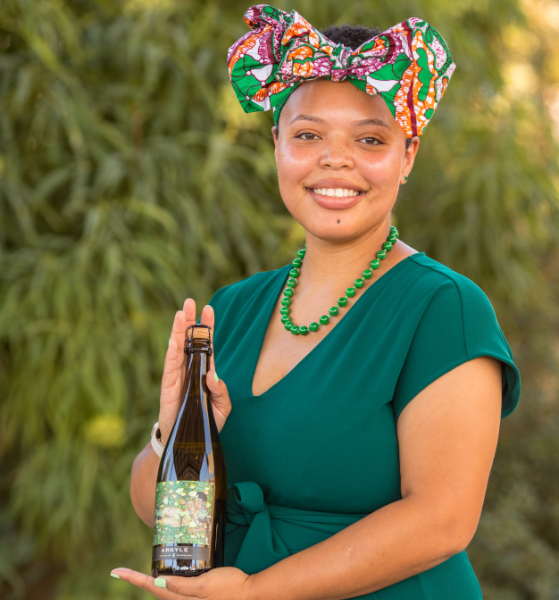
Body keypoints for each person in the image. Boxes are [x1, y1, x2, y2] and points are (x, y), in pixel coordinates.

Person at [112, 5, 521, 600]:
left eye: (371, 139)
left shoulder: (443, 308)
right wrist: (172, 433)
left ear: (407, 157)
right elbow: (157, 510)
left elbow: (442, 521)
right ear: (276, 143)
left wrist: (255, 591)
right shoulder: (234, 308)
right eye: (308, 134)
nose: (336, 159)